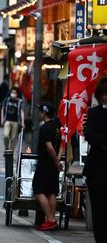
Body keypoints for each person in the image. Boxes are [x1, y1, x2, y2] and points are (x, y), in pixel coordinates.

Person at [32, 102, 63, 231]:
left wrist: (56, 161)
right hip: (53, 165)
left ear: (44, 113)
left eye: (40, 111)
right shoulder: (57, 126)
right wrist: (58, 160)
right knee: (51, 192)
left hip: (45, 163)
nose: (39, 113)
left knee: (38, 190)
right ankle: (53, 220)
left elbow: (49, 148)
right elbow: (62, 144)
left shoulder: (45, 128)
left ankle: (50, 219)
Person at [83, 77, 107, 243]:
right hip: (96, 168)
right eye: (104, 94)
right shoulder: (93, 112)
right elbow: (89, 136)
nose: (106, 97)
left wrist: (101, 140)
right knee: (98, 210)